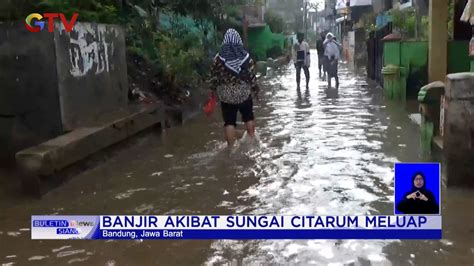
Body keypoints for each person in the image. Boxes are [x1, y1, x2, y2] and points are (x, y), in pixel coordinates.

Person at [209, 29, 260, 147]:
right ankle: (253, 142)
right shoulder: (246, 58)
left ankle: (231, 149)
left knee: (229, 122)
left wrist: (212, 91)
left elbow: (213, 77)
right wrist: (256, 91)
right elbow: (252, 77)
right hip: (243, 94)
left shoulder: (218, 59)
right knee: (248, 118)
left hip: (226, 95)